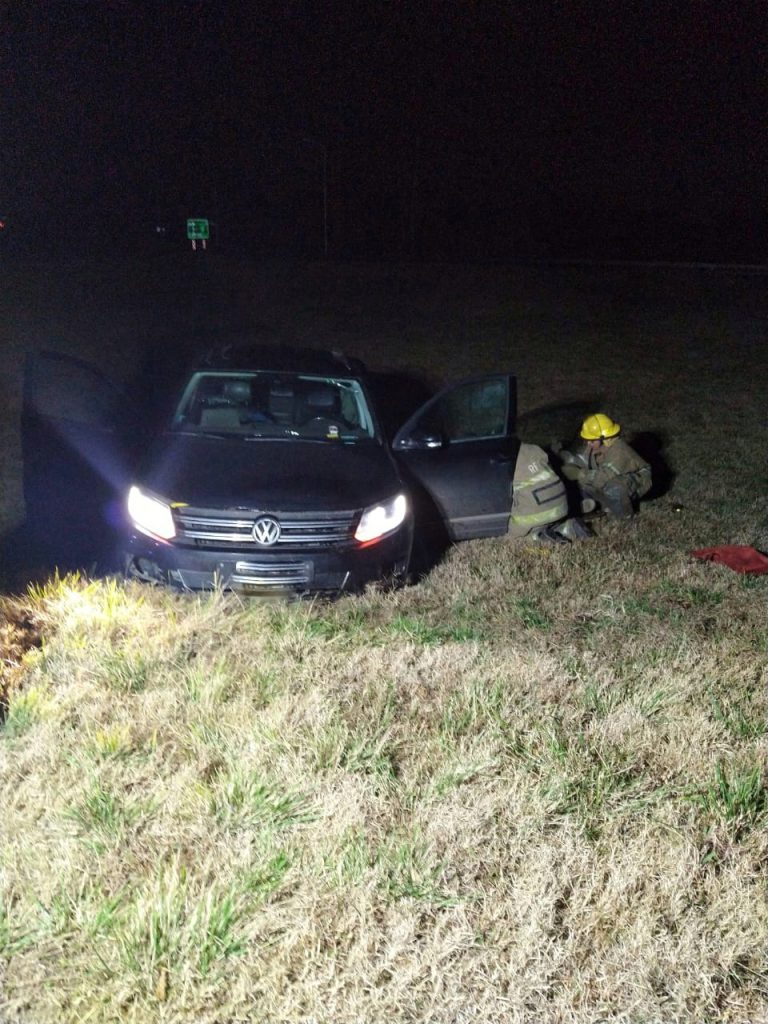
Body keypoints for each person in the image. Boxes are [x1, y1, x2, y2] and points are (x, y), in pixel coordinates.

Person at [559, 413, 651, 520]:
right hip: (610, 478)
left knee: (613, 487)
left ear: (605, 438)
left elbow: (604, 477)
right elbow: (584, 462)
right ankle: (600, 506)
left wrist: (579, 473)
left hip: (639, 482)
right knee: (580, 483)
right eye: (587, 440)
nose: (588, 443)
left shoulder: (620, 451)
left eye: (592, 440)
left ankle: (625, 517)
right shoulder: (594, 447)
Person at [509, 442, 590, 542]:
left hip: (538, 510)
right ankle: (565, 528)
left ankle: (537, 536)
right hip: (561, 504)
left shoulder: (500, 458)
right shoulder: (533, 448)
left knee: (512, 536)